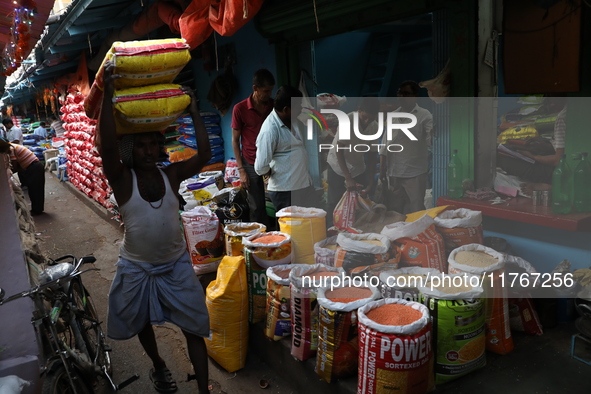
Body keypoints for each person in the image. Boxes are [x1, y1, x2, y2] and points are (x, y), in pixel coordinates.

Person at [99, 61, 211, 394]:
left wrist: (193, 110)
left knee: (194, 328)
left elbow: (204, 153)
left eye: (153, 145)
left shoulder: (171, 175)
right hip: (137, 266)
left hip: (176, 264)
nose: (148, 151)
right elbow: (106, 145)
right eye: (141, 146)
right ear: (131, 151)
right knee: (140, 321)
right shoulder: (122, 179)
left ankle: (204, 390)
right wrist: (107, 92)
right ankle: (159, 365)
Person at [255, 85, 315, 212]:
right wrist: (268, 171)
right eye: (298, 106)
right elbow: (260, 166)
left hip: (303, 185)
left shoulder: (292, 119)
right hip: (285, 191)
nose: (300, 110)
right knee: (292, 229)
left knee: (307, 226)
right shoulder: (270, 129)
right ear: (286, 109)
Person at [379, 80, 433, 214]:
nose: (401, 97)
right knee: (395, 209)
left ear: (415, 96)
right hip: (394, 172)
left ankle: (417, 234)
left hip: (415, 172)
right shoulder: (393, 116)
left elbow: (430, 140)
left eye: (406, 94)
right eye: (399, 93)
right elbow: (385, 145)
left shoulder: (424, 115)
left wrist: (433, 134)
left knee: (416, 208)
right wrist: (382, 169)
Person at [326, 97, 380, 226]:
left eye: (371, 118)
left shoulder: (374, 127)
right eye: (364, 117)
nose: (367, 121)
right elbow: (339, 150)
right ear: (359, 111)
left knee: (359, 202)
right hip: (338, 166)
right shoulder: (348, 120)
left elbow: (372, 154)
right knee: (336, 202)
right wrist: (347, 177)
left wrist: (371, 179)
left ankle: (353, 231)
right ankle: (332, 232)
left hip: (357, 166)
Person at [231, 69, 275, 226]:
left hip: (272, 161)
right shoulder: (240, 109)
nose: (269, 94)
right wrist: (241, 170)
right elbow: (235, 141)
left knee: (277, 204)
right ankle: (260, 243)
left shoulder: (273, 105)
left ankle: (280, 239)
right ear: (255, 88)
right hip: (250, 162)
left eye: (271, 90)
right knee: (256, 207)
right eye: (266, 91)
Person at [9, 143, 45, 215]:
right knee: (34, 190)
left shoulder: (11, 148)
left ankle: (37, 210)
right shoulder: (12, 147)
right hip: (33, 167)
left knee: (35, 190)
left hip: (34, 167)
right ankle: (37, 209)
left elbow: (14, 165)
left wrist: (9, 173)